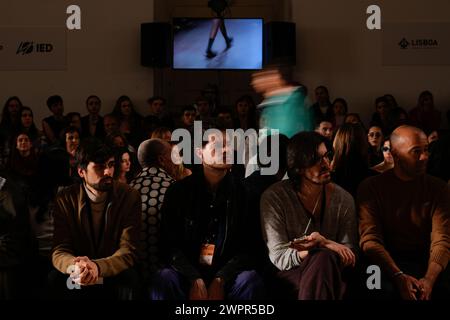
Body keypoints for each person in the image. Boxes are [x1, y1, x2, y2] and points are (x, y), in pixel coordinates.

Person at [152, 127, 265, 300]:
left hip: (228, 273)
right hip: (187, 271)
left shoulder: (245, 193)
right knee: (165, 278)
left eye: (229, 145)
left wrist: (221, 278)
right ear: (199, 153)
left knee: (250, 280)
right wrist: (194, 278)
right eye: (219, 145)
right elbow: (168, 245)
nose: (227, 150)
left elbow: (250, 247)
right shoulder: (179, 191)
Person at [261, 131, 358, 300]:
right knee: (322, 259)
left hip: (331, 271)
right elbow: (279, 257)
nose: (326, 164)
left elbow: (348, 254)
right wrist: (323, 245)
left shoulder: (343, 199)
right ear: (298, 167)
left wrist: (322, 244)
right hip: (289, 274)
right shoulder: (275, 197)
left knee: (324, 261)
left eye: (327, 156)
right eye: (316, 160)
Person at [358, 125, 449, 300]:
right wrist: (398, 276)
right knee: (373, 283)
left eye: (426, 150)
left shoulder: (438, 188)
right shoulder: (371, 188)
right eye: (416, 152)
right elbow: (370, 241)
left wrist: (429, 280)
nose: (425, 157)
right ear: (396, 155)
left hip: (425, 259)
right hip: (383, 260)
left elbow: (442, 239)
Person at [49, 141, 141, 299]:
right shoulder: (65, 198)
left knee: (131, 280)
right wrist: (76, 266)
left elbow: (128, 250)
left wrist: (97, 267)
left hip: (112, 271)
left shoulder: (129, 195)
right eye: (99, 166)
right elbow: (59, 249)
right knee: (54, 280)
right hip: (79, 271)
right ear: (81, 172)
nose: (108, 171)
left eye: (111, 164)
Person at [129, 139, 176, 286]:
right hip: (169, 276)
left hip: (133, 275)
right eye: (172, 155)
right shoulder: (175, 189)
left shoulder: (127, 190)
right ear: (162, 159)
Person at [251, 67, 313, 138]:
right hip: (272, 146)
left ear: (275, 78)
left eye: (262, 77)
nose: (253, 82)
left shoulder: (295, 101)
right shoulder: (268, 105)